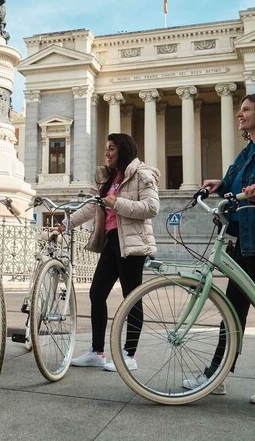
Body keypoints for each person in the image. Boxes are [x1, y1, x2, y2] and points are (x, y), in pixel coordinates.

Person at [184, 93, 255, 406]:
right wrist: (220, 185)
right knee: (232, 312)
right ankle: (217, 374)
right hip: (244, 241)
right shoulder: (250, 151)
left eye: (246, 109)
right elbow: (236, 181)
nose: (239, 113)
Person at [65, 133, 160, 372]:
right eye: (106, 149)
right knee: (97, 293)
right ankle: (97, 352)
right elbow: (92, 207)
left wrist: (116, 203)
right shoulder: (109, 179)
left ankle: (129, 355)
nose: (106, 153)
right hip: (111, 242)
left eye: (111, 149)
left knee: (131, 298)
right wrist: (64, 224)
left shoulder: (141, 175)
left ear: (123, 150)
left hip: (132, 245)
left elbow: (151, 208)